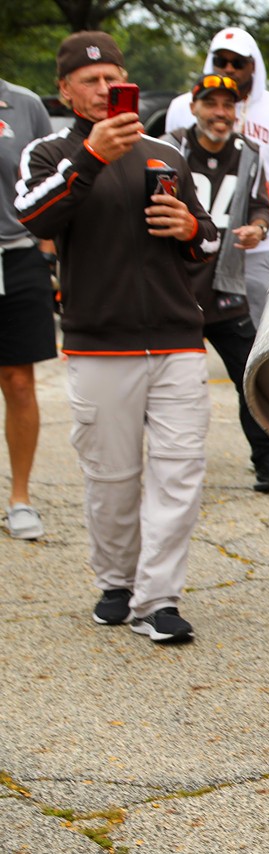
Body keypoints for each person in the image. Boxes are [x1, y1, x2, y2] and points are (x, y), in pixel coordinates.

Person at [15, 31, 219, 643]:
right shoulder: (49, 153)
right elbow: (33, 217)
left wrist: (188, 225)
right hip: (98, 342)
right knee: (110, 477)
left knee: (179, 473)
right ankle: (116, 582)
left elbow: (209, 241)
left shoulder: (167, 153)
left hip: (179, 340)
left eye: (114, 78)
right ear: (66, 91)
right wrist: (92, 157)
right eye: (91, 81)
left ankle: (159, 600)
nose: (106, 90)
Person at [163, 74, 269, 493]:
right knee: (170, 383)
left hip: (225, 284)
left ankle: (267, 462)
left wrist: (259, 226)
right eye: (212, 104)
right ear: (193, 107)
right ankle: (166, 464)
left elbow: (260, 203)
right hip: (176, 286)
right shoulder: (169, 149)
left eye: (229, 105)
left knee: (251, 375)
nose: (220, 114)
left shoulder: (249, 153)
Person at [165, 27, 269, 328]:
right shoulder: (179, 108)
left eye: (237, 62)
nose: (229, 68)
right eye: (221, 61)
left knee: (256, 337)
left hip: (253, 247)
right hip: (190, 245)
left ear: (254, 65)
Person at [0, 77, 55, 540]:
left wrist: (47, 251)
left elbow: (45, 182)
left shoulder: (24, 104)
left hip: (16, 256)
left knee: (18, 382)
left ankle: (20, 498)